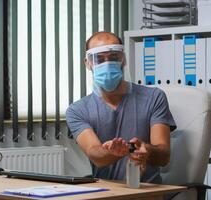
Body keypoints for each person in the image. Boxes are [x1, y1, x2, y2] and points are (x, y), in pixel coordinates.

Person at [66, 31, 176, 183]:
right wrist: (111, 152)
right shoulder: (77, 110)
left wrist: (147, 150)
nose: (107, 63)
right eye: (99, 58)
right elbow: (95, 154)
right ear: (88, 63)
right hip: (106, 193)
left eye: (113, 57)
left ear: (123, 59)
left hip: (147, 192)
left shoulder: (154, 98)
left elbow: (164, 156)